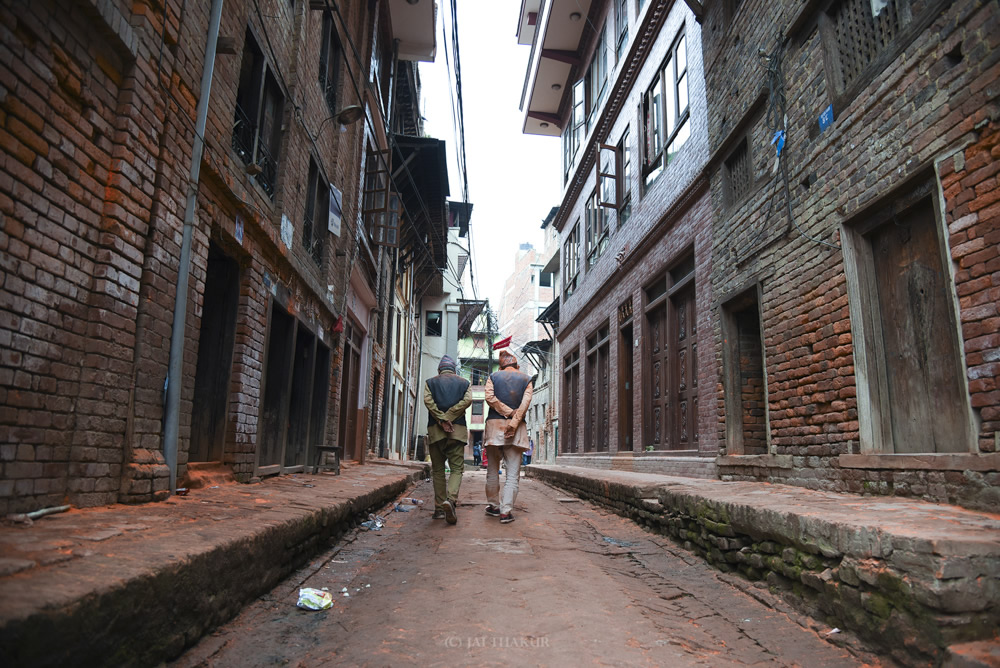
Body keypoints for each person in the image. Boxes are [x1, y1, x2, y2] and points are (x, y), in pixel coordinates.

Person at [483, 350, 533, 524]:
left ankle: (494, 506)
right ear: (516, 366)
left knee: (492, 470)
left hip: (493, 427)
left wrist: (506, 412)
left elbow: (489, 397)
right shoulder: (526, 379)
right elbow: (525, 404)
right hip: (517, 429)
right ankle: (505, 512)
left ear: (501, 366)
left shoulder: (493, 377)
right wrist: (514, 419)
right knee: (512, 474)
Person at [423, 355, 473, 525]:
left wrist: (442, 419)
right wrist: (450, 416)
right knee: (456, 469)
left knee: (437, 470)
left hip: (436, 432)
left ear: (439, 370)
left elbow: (428, 402)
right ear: (454, 370)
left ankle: (438, 509)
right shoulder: (465, 383)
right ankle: (450, 501)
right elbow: (467, 401)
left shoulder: (430, 382)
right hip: (457, 432)